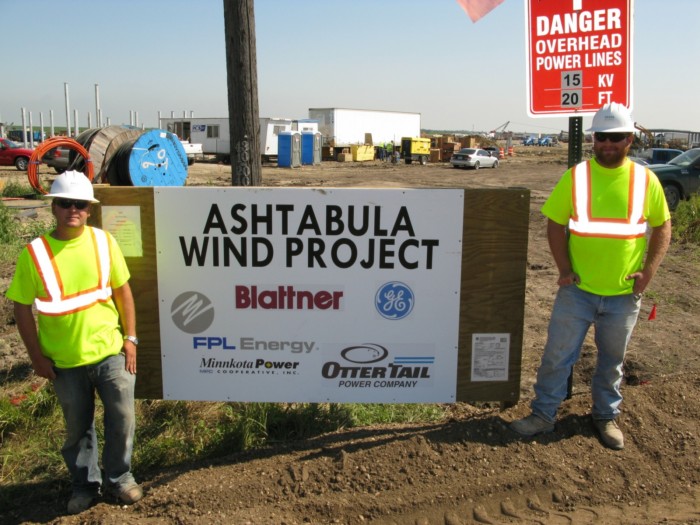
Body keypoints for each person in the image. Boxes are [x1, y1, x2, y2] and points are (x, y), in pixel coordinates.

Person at [509, 103, 672, 450]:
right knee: (557, 356)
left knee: (612, 362)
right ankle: (543, 415)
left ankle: (605, 417)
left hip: (623, 293)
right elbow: (554, 223)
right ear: (592, 139)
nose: (607, 144)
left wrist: (649, 272)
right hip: (578, 290)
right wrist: (564, 269)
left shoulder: (645, 180)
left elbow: (662, 226)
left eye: (615, 137)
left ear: (629, 139)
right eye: (601, 137)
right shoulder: (577, 176)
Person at [6, 171, 143, 513]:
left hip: (110, 350)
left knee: (123, 417)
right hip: (63, 361)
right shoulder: (34, 254)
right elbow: (21, 309)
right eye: (65, 203)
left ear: (89, 209)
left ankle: (120, 479)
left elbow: (122, 290)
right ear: (54, 207)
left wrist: (130, 338)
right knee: (77, 429)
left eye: (80, 204)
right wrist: (35, 357)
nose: (73, 210)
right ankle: (84, 486)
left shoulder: (102, 242)